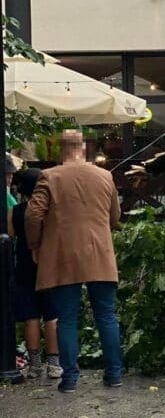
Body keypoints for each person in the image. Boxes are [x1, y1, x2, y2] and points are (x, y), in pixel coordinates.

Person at [26, 130, 122, 393]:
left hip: (63, 257)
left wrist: (35, 244)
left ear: (60, 149)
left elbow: (33, 215)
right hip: (99, 254)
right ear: (82, 148)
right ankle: (114, 374)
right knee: (106, 315)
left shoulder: (50, 177)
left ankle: (69, 379)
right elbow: (115, 216)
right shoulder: (105, 176)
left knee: (67, 318)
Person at [10, 168, 62, 379]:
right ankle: (55, 364)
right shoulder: (50, 211)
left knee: (30, 316)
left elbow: (10, 234)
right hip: (48, 262)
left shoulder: (15, 211)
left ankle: (34, 365)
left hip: (23, 265)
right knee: (52, 314)